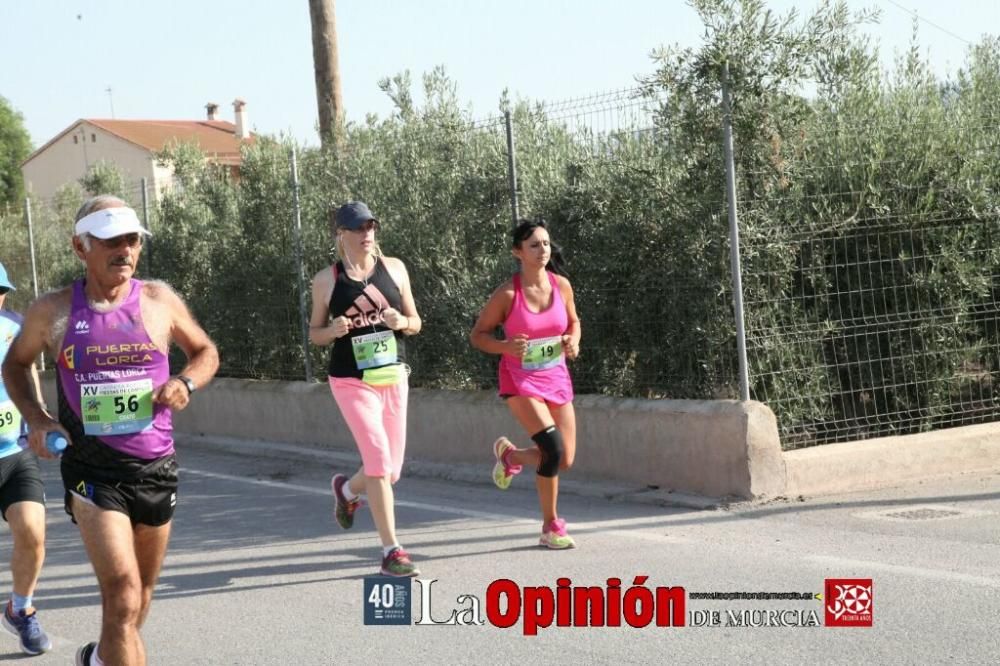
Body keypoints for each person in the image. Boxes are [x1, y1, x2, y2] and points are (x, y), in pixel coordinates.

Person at [1, 196, 219, 666]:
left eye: (132, 239)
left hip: (157, 467)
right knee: (121, 594)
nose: (125, 249)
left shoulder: (159, 301)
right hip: (93, 473)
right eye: (111, 240)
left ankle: (99, 659)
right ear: (81, 247)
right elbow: (15, 365)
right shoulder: (53, 311)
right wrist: (38, 418)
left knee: (139, 599)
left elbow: (206, 352)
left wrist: (185, 381)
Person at [309, 201, 423, 577]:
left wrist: (400, 320)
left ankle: (346, 492)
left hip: (392, 376)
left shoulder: (395, 269)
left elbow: (416, 323)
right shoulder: (327, 280)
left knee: (389, 471)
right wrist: (333, 331)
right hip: (351, 380)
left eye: (371, 225)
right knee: (376, 456)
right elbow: (315, 335)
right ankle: (392, 549)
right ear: (341, 234)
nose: (367, 233)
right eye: (358, 228)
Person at [470, 219, 581, 549]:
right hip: (521, 380)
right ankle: (551, 526)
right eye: (534, 245)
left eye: (546, 243)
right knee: (552, 448)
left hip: (556, 377)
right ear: (518, 252)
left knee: (565, 459)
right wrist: (505, 347)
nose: (542, 250)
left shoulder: (561, 286)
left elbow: (574, 322)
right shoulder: (507, 294)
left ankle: (512, 457)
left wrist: (573, 341)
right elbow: (478, 336)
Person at [0, 262, 52, 656]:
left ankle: (21, 609)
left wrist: (40, 419)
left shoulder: (15, 327)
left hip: (14, 455)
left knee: (33, 534)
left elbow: (28, 369)